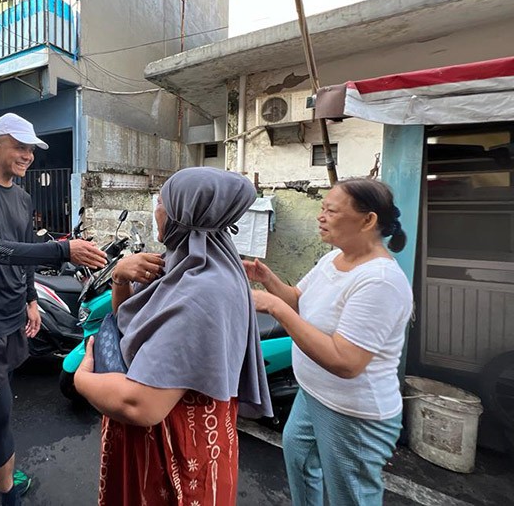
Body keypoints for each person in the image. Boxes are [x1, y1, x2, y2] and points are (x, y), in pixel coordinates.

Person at [74, 167, 273, 505]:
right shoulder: (182, 263)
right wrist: (120, 278)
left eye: (162, 201)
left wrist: (82, 378)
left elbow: (141, 404)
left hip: (176, 454)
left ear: (184, 213)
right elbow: (130, 321)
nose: (156, 209)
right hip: (163, 443)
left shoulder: (201, 289)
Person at [0, 112, 107, 505]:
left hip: (11, 314)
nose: (27, 156)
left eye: (31, 149)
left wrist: (31, 300)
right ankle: (8, 498)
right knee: (0, 410)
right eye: (20, 147)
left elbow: (22, 258)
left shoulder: (21, 196)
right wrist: (63, 248)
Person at [245, 177, 413, 506]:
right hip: (314, 394)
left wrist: (274, 307)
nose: (320, 216)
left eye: (331, 211)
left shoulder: (380, 281)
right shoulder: (333, 260)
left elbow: (346, 362)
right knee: (299, 460)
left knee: (349, 496)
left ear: (368, 220)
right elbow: (297, 299)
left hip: (353, 411)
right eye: (322, 208)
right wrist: (268, 280)